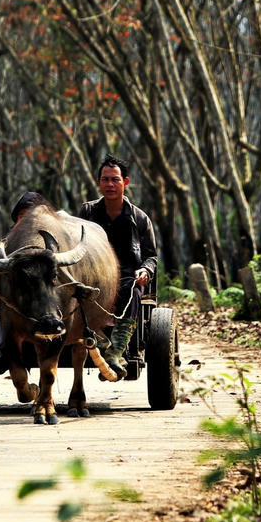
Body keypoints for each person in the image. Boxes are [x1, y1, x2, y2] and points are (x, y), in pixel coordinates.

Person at [77, 154, 158, 379]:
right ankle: (101, 343)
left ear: (125, 182)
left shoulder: (140, 218)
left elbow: (151, 256)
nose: (110, 184)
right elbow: (77, 245)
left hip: (127, 277)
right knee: (75, 293)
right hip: (93, 277)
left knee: (133, 289)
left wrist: (145, 270)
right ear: (99, 182)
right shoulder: (87, 212)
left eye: (115, 179)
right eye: (105, 179)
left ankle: (116, 351)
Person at [0, 191, 49, 377]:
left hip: (47, 299)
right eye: (23, 216)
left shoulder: (51, 242)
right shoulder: (7, 244)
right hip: (16, 299)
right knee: (5, 311)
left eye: (33, 216)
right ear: (16, 218)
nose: (27, 221)